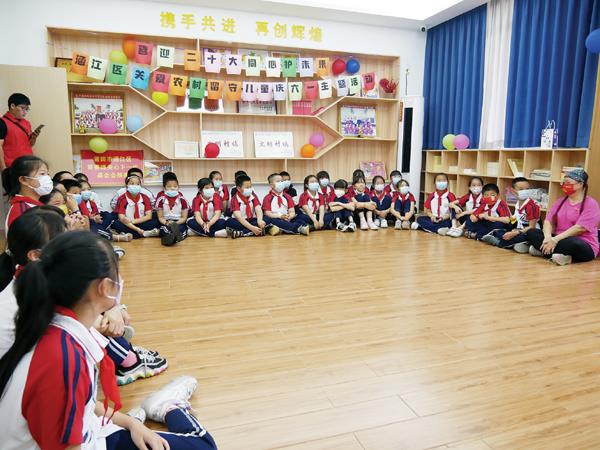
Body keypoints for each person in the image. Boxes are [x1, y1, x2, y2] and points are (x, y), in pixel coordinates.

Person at [0, 231, 217, 450]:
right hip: (86, 441)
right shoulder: (63, 357)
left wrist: (130, 423)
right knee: (204, 447)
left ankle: (137, 417)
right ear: (104, 287)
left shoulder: (51, 324)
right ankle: (168, 406)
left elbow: (83, 403)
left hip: (89, 432)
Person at [527, 168, 600, 265]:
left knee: (572, 242)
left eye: (568, 182)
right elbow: (548, 221)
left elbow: (580, 228)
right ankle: (559, 255)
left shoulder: (591, 204)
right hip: (558, 239)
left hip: (582, 243)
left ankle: (543, 251)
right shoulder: (560, 201)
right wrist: (548, 237)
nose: (565, 185)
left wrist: (555, 240)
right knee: (532, 232)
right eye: (564, 182)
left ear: (580, 184)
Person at [483, 177, 541, 251]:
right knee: (500, 231)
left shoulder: (532, 206)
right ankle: (510, 241)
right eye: (521, 189)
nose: (525, 192)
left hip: (529, 232)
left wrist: (515, 233)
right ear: (513, 191)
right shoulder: (517, 204)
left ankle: (502, 242)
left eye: (527, 189)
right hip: (519, 229)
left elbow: (532, 227)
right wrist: (510, 229)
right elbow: (513, 220)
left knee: (509, 239)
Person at [2, 155, 50, 231]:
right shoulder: (23, 211)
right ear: (23, 180)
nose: (48, 178)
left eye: (48, 174)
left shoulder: (34, 206)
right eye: (42, 174)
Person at [0, 93, 42, 170]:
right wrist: (3, 169)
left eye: (27, 109)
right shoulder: (2, 122)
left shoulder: (26, 123)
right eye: (22, 108)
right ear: (12, 106)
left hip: (28, 164)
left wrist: (34, 137)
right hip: (12, 166)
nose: (25, 112)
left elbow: (29, 145)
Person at [112, 175, 160, 239]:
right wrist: (137, 229)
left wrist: (133, 221)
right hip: (128, 224)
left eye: (138, 184)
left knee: (156, 219)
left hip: (140, 222)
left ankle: (131, 234)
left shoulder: (145, 197)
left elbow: (149, 216)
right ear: (127, 185)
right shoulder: (122, 198)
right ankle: (144, 233)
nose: (135, 186)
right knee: (116, 224)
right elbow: (122, 218)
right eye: (132, 184)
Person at [226, 174, 271, 238]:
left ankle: (242, 233)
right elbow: (239, 217)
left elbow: (258, 209)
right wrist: (252, 228)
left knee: (267, 219)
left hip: (252, 219)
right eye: (247, 187)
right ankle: (257, 231)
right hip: (241, 221)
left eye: (250, 187)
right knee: (229, 222)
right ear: (238, 188)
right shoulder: (234, 199)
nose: (250, 189)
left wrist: (259, 220)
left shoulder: (253, 195)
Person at [155, 172, 189, 245]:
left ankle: (173, 239)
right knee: (164, 229)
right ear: (164, 188)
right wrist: (167, 223)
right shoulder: (161, 199)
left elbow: (184, 217)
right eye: (169, 186)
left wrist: (175, 224)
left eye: (175, 186)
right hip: (166, 221)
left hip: (178, 221)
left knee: (182, 230)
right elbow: (160, 217)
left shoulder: (183, 199)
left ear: (178, 187)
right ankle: (171, 237)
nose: (172, 188)